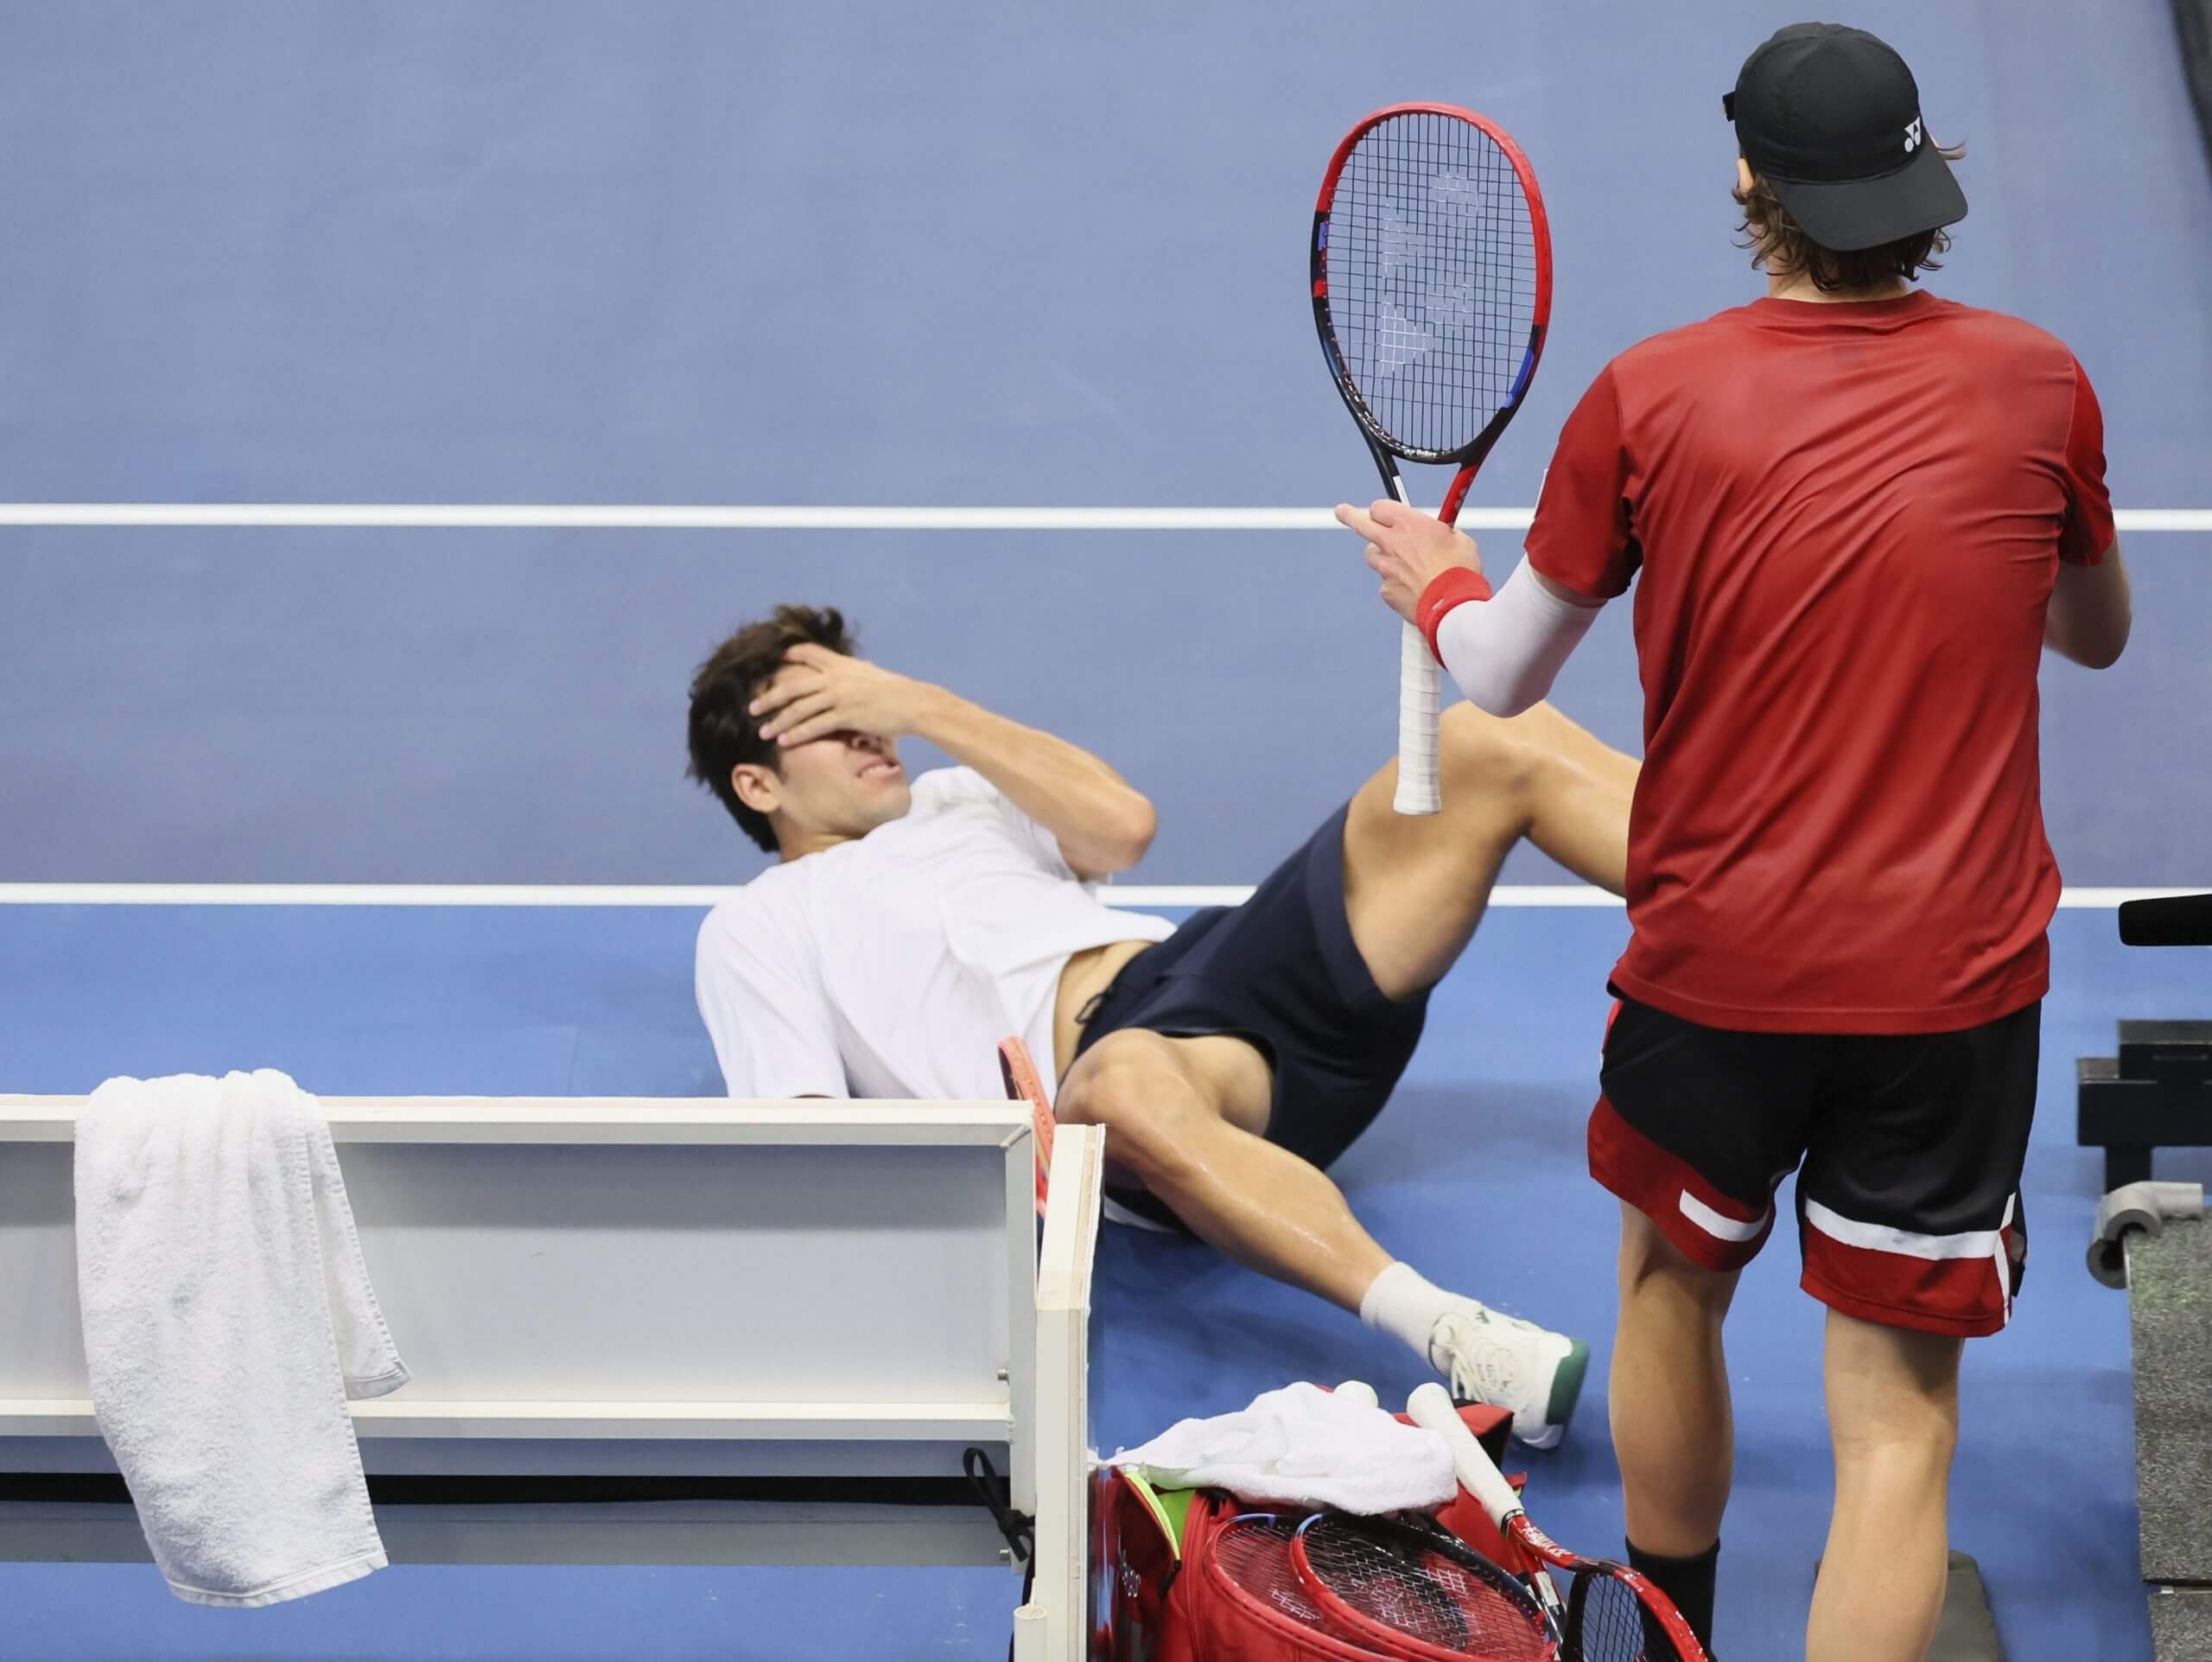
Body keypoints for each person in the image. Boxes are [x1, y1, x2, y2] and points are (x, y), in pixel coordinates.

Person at [1342, 22, 2132, 1660]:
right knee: (1900, 1425)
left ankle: (1669, 1638)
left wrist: (1434, 576)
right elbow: (2094, 631)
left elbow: (1495, 676)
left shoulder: (1648, 396)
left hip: (1718, 973)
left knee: (1665, 1293)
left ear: (1750, 187)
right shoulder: (2042, 382)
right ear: (1925, 185)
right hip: (1951, 991)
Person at [686, 603, 1641, 1447]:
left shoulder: (959, 797)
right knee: (1113, 1084)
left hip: (1212, 974)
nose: (868, 734)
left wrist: (923, 705)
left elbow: (1121, 825)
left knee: (1490, 742)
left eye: (863, 706)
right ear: (759, 787)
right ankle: (1460, 1339)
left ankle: (1774, 902)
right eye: (827, 721)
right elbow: (806, 1135)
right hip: (1135, 1091)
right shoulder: (759, 922)